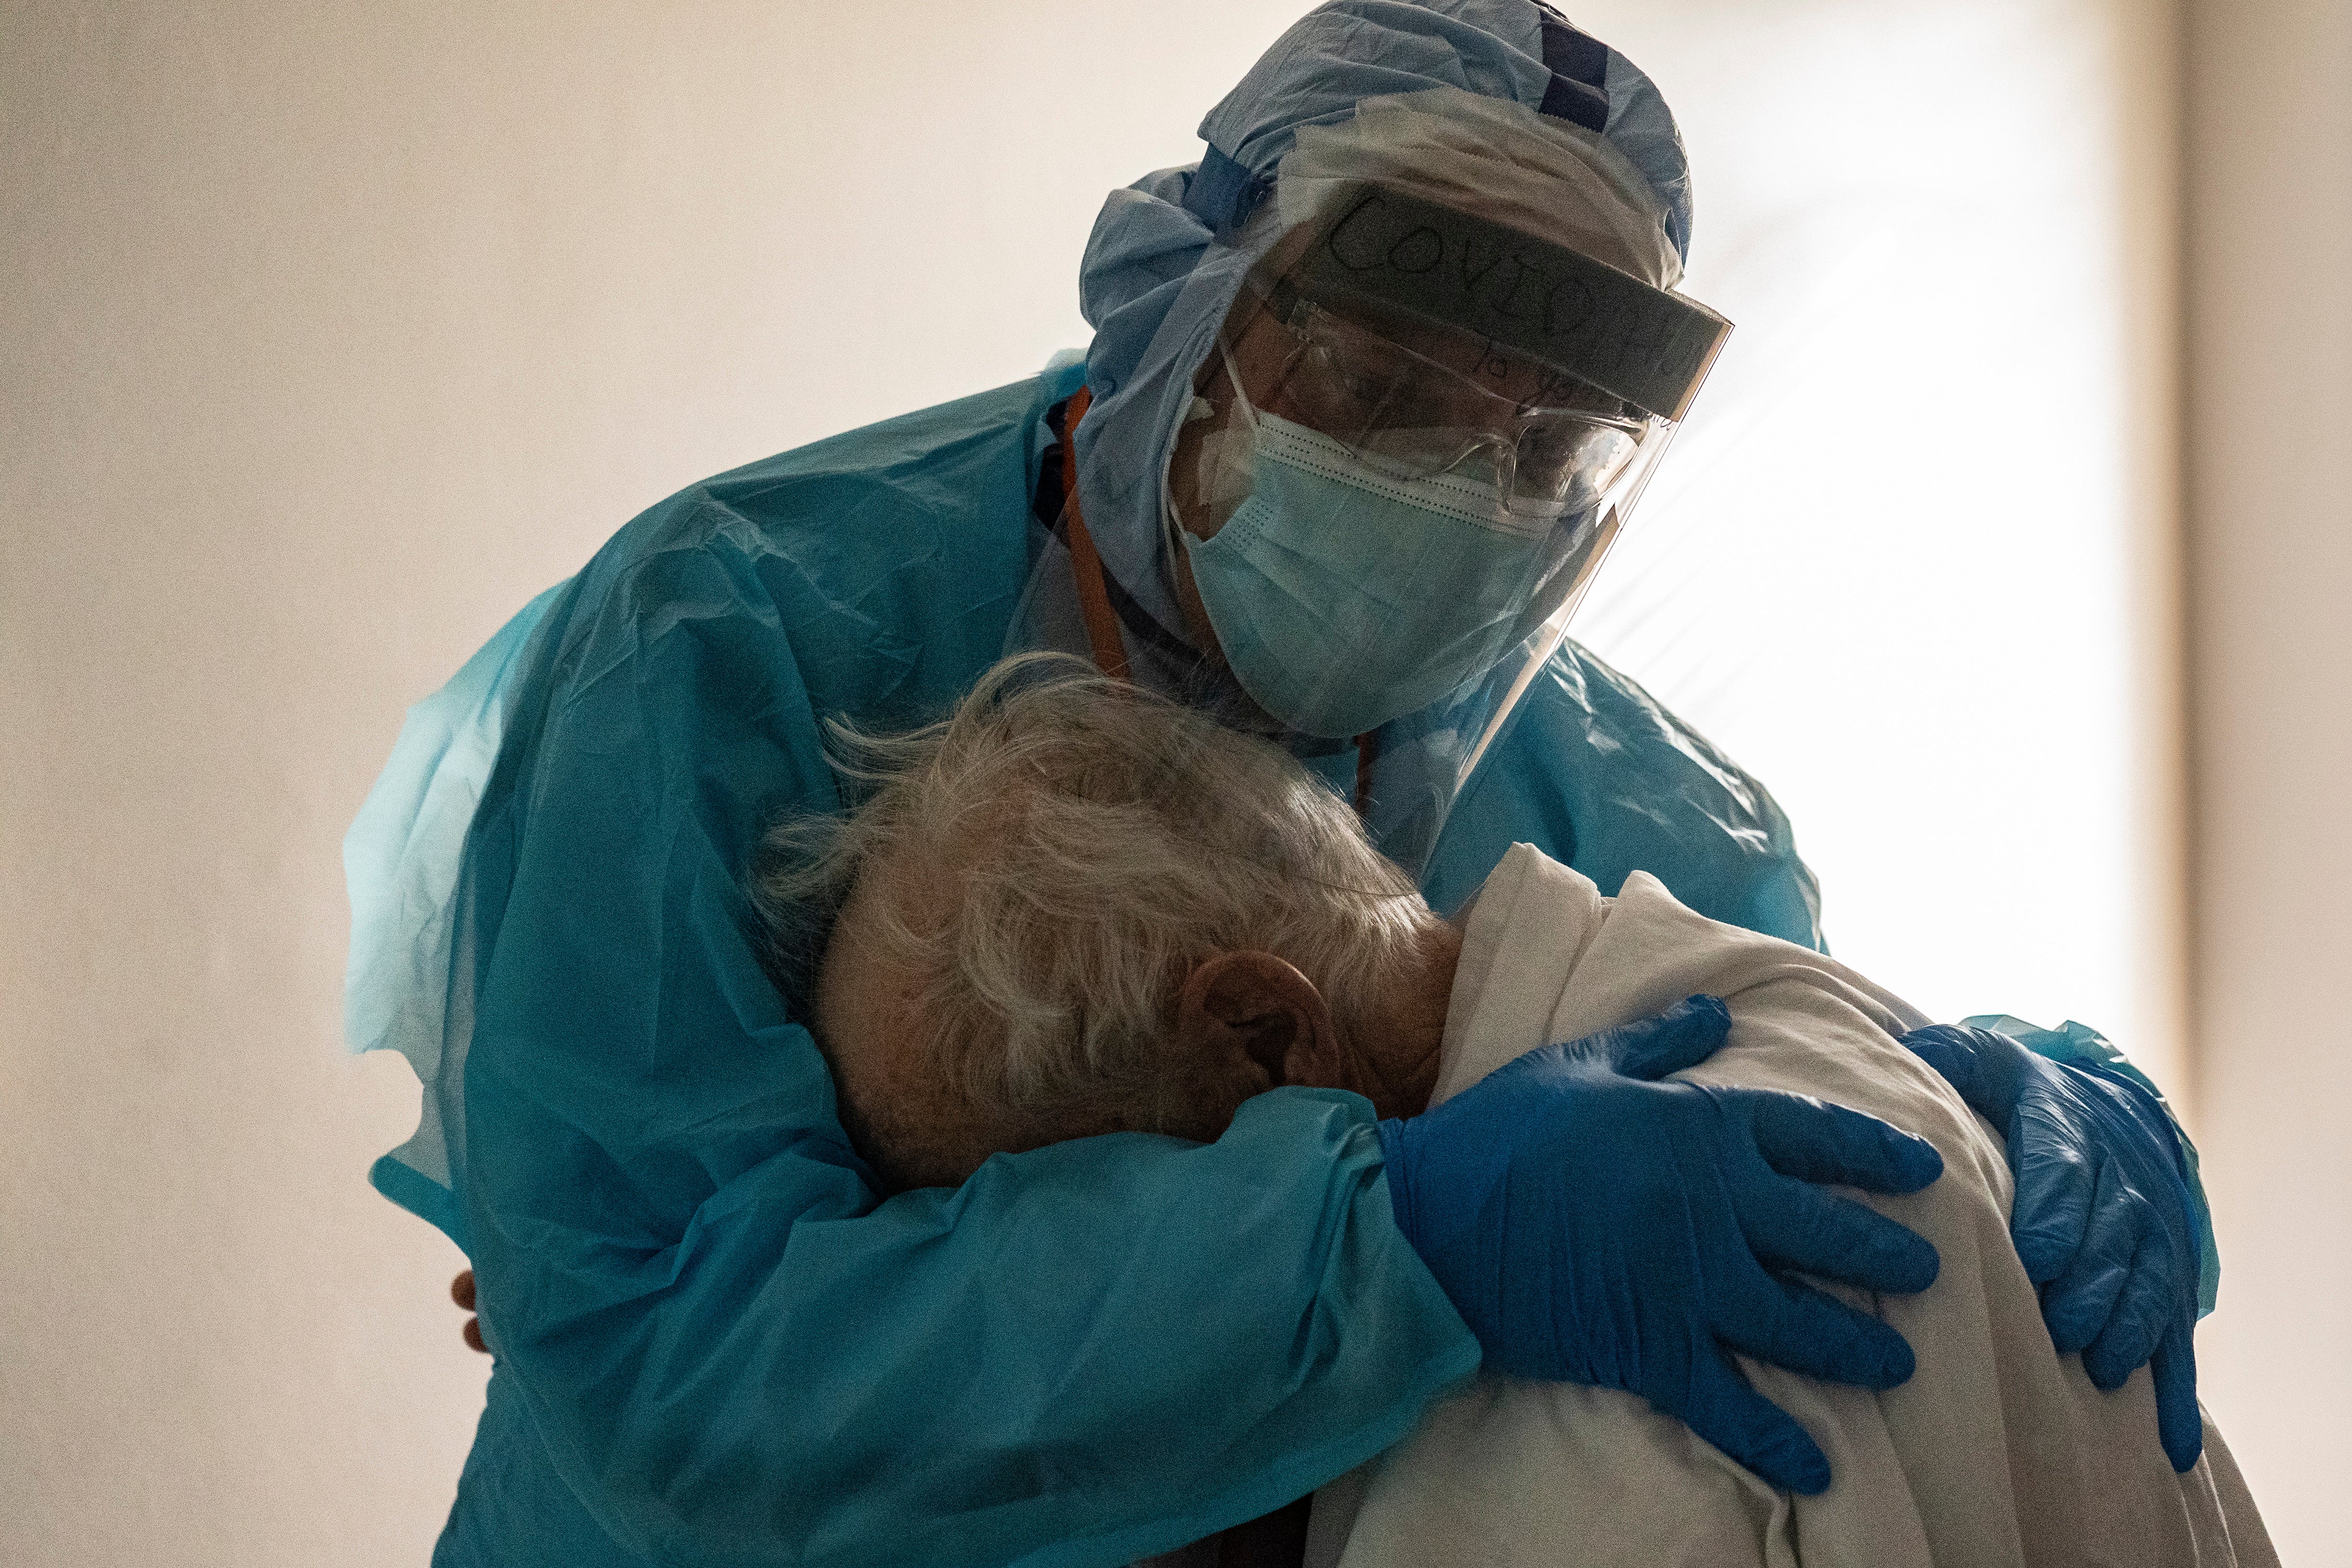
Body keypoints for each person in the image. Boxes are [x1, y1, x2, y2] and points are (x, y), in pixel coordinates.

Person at [352, 5, 2215, 1564]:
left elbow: (1772, 1169)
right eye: (1384, 385)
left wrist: (1979, 1108)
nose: (1460, 487)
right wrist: (1379, 1239)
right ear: (1179, 300)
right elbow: (660, 1351)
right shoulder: (735, 636)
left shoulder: (1647, 811)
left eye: (1551, 443)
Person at [762, 653, 2272, 1568]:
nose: (1122, 1331)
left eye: (1085, 1218)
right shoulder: (1792, 1024)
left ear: (1266, 1035)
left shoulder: (1590, 1405)